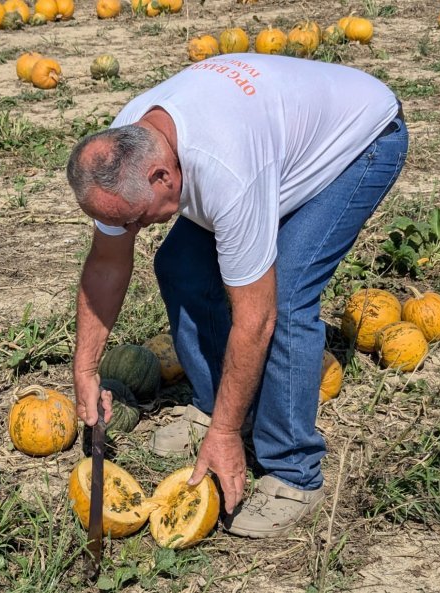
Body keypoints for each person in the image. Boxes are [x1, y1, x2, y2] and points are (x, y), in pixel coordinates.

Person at [66, 53, 408, 538]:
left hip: (361, 140)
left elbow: (257, 317)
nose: (133, 230)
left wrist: (224, 439)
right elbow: (107, 261)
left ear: (162, 177)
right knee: (180, 264)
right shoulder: (120, 159)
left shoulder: (227, 169)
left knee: (286, 295)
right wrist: (85, 368)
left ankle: (293, 471)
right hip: (274, 138)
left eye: (137, 219)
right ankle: (221, 406)